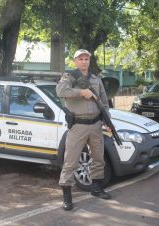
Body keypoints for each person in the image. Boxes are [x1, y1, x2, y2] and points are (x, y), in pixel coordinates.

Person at [56, 49, 111, 211]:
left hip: (95, 125)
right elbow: (60, 92)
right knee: (71, 161)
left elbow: (104, 102)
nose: (84, 61)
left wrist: (107, 121)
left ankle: (96, 188)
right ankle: (67, 196)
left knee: (98, 158)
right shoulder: (69, 77)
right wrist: (81, 92)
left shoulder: (95, 79)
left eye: (87, 59)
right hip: (78, 125)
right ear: (75, 61)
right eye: (81, 59)